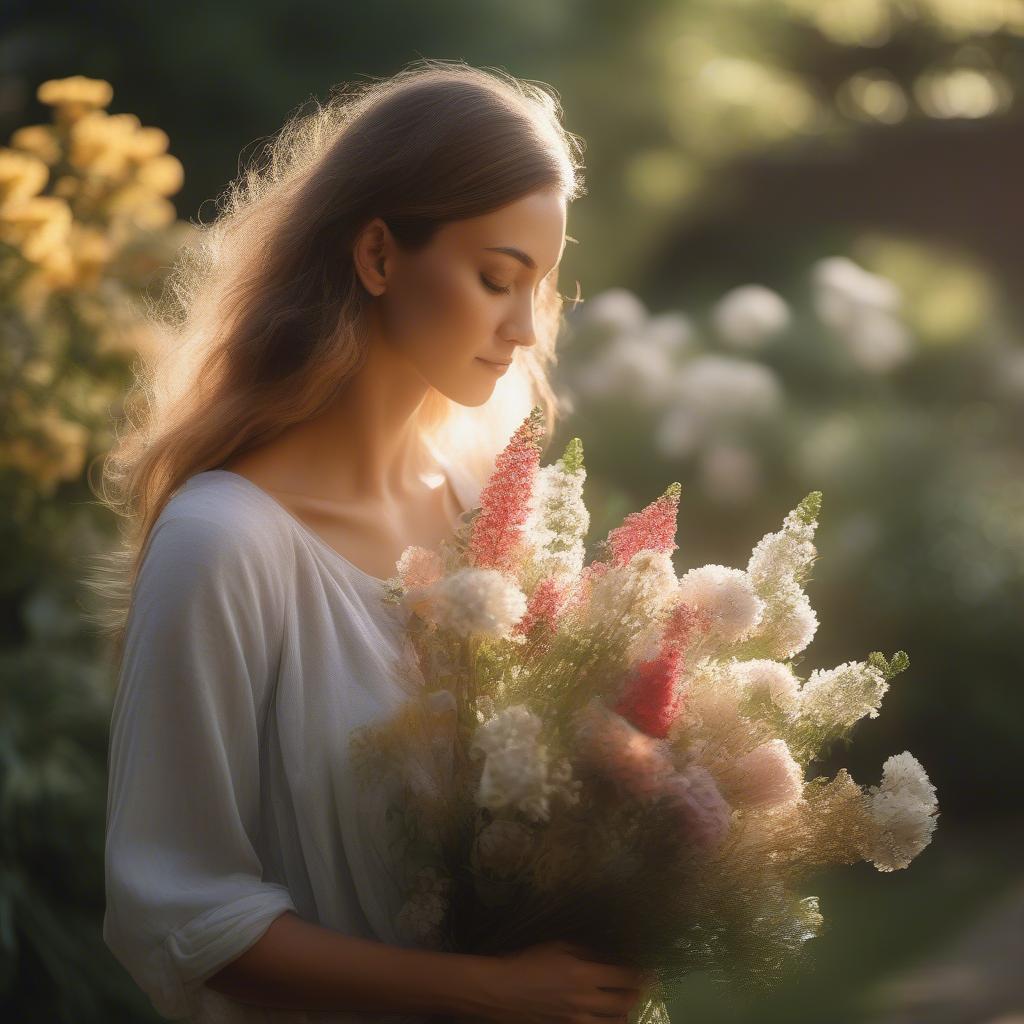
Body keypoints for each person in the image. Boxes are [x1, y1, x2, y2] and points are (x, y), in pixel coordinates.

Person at [90, 59, 652, 1023]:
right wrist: (487, 993)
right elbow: (182, 915)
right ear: (381, 256)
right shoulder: (223, 544)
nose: (524, 328)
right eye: (494, 279)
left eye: (541, 287)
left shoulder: (489, 509)